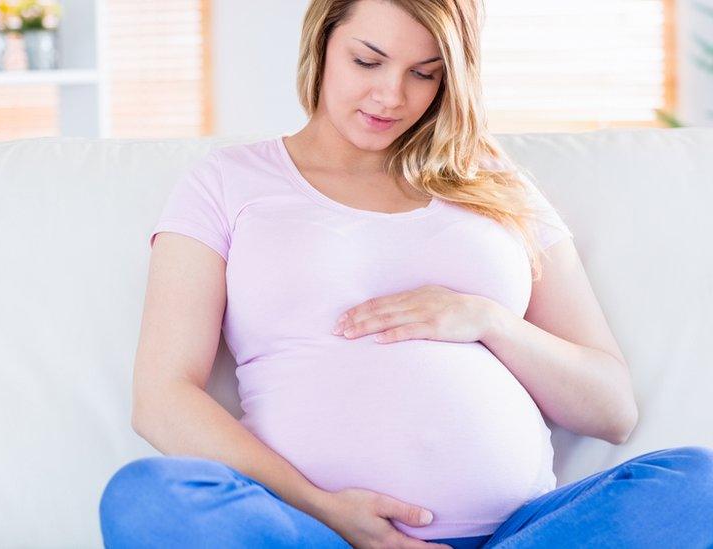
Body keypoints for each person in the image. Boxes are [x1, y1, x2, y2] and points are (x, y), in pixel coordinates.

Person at [99, 0, 713, 547]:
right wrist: (330, 513)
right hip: (314, 531)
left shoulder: (493, 181)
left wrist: (486, 320)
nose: (392, 96)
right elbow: (161, 399)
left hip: (522, 533)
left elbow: (612, 408)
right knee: (149, 497)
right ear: (321, 44)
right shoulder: (226, 181)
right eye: (368, 61)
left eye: (424, 73)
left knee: (697, 484)